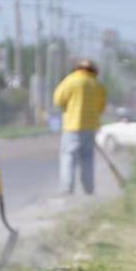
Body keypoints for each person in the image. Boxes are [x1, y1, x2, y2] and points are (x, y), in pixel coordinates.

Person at [53, 59, 107, 195]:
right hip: (90, 126)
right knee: (87, 158)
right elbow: (101, 107)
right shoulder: (97, 85)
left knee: (69, 156)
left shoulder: (70, 81)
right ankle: (88, 188)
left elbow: (58, 100)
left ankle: (67, 187)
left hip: (72, 125)